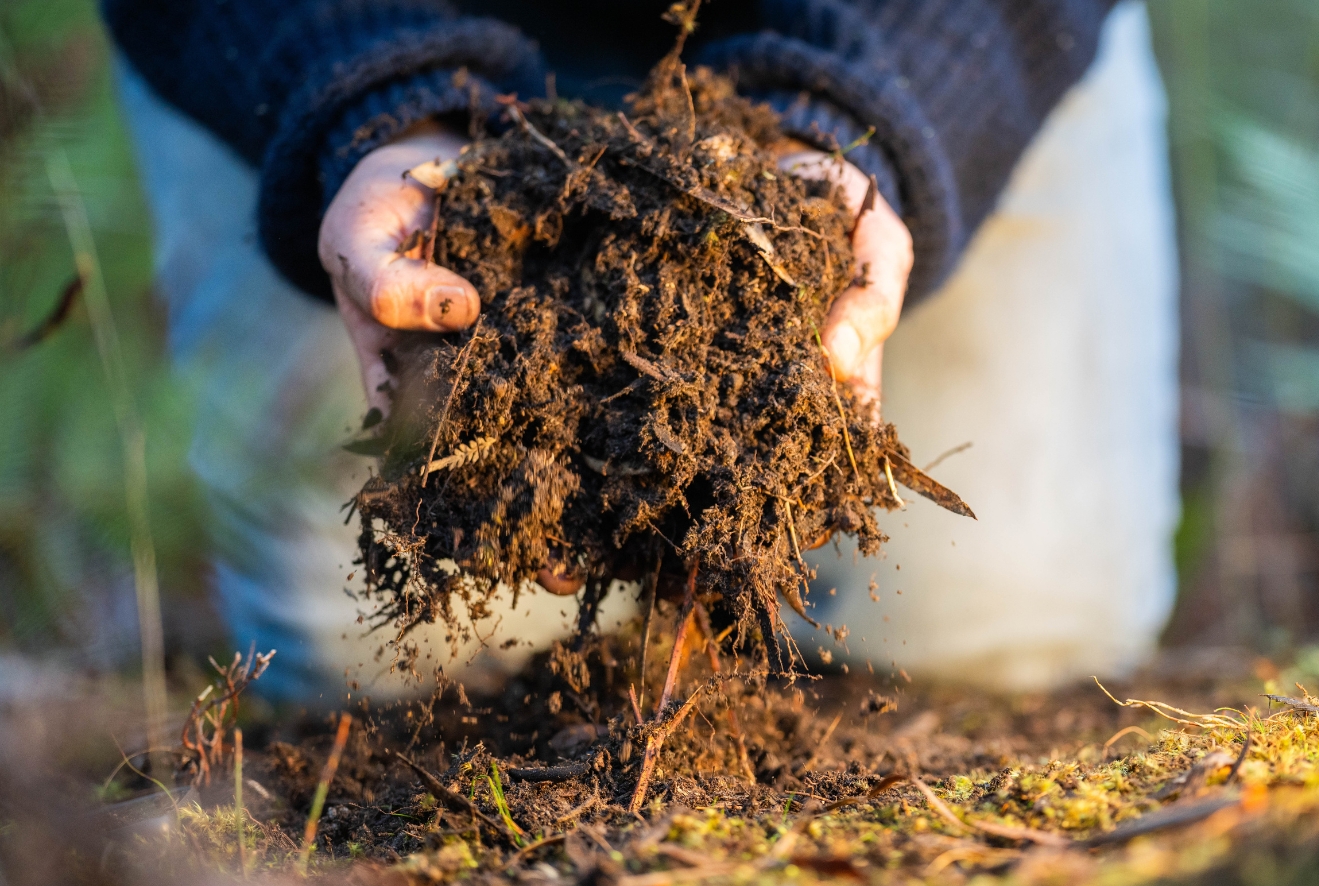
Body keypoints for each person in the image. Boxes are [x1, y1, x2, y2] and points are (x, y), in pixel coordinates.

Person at [105, 0, 1176, 700]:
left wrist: (847, 114)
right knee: (388, 674)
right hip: (323, 35)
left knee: (1004, 633)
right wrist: (373, 100)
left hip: (924, 31)